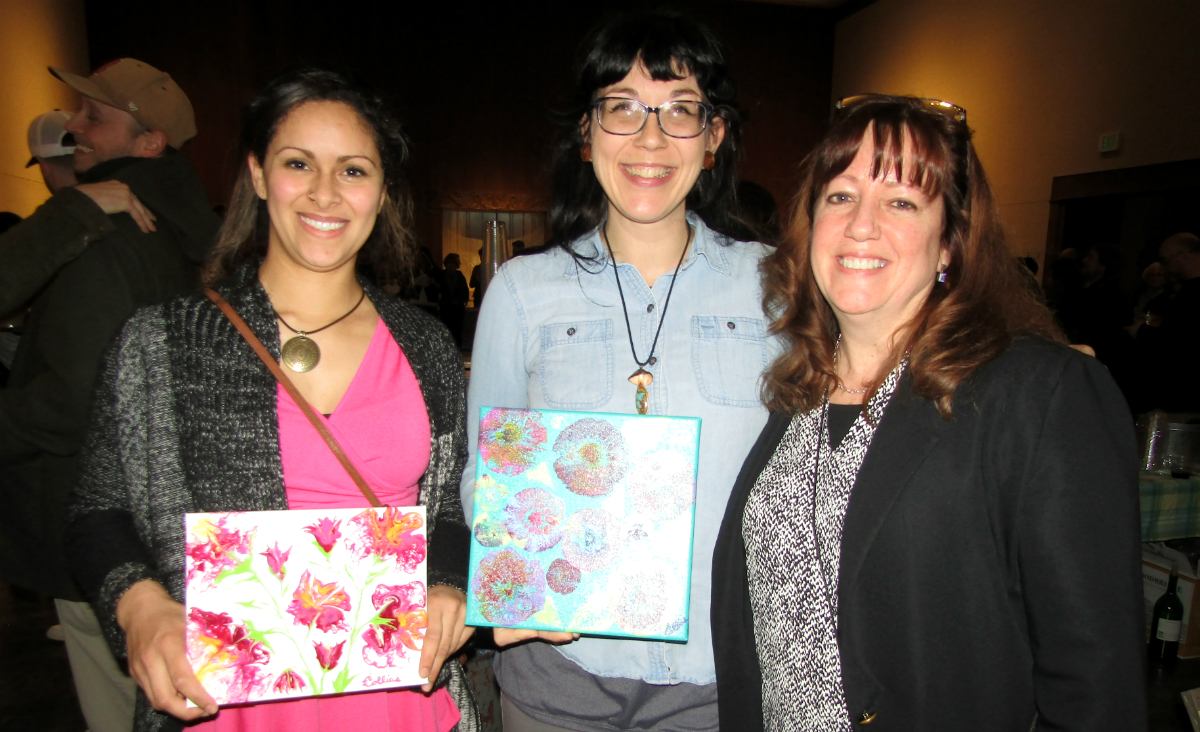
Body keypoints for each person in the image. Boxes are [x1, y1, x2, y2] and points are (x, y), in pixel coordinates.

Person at [711, 94, 1145, 731]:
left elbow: (1095, 679)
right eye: (841, 195)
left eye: (902, 202)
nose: (861, 225)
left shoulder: (1036, 393)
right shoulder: (797, 394)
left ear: (949, 243)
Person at [67, 69, 477, 732]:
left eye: (353, 170)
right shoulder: (165, 340)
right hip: (227, 703)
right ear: (259, 175)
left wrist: (450, 584)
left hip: (400, 697)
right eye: (298, 164)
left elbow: (451, 507)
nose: (325, 192)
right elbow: (97, 507)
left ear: (381, 192)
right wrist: (139, 605)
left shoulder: (425, 347)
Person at [462, 12, 769, 732]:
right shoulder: (522, 292)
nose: (650, 139)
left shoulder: (774, 288)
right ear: (586, 131)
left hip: (714, 677)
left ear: (714, 137)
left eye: (680, 111)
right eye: (622, 108)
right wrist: (515, 573)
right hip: (560, 669)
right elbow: (484, 469)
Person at [0, 58, 217, 732]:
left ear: (149, 142)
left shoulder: (104, 235)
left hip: (89, 517)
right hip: (165, 510)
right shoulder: (190, 232)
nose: (74, 126)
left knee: (120, 702)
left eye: (94, 116)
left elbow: (77, 398)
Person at [439, 252, 469, 347]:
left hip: (457, 308)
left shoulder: (459, 275)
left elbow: (465, 290)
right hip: (446, 307)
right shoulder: (442, 275)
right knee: (447, 330)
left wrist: (463, 301)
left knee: (457, 331)